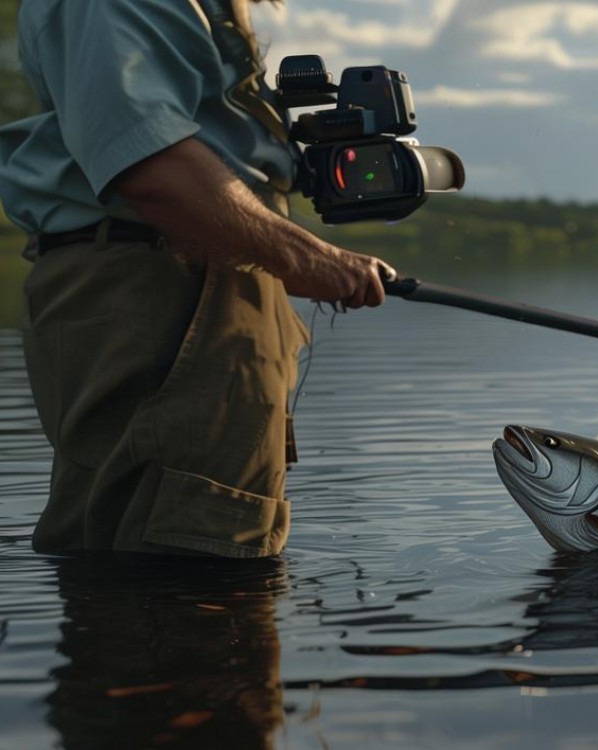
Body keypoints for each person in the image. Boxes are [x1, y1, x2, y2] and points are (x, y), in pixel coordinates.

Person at [0, 0, 392, 557]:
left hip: (209, 279)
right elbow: (150, 165)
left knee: (224, 555)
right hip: (165, 285)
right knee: (177, 567)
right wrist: (305, 257)